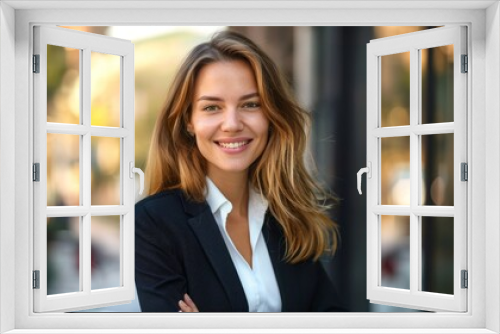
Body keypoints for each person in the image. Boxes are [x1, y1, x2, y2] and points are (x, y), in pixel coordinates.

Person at [135, 31, 342, 312]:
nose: (232, 123)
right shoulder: (154, 224)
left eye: (250, 104)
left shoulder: (287, 216)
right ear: (188, 122)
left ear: (271, 116)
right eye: (211, 107)